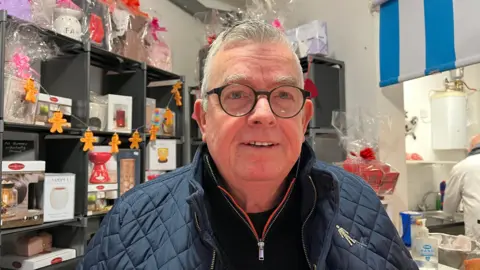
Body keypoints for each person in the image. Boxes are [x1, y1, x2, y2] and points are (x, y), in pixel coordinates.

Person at [78, 20, 416, 270]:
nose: (263, 115)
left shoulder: (361, 206)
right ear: (203, 119)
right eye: (237, 94)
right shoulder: (132, 221)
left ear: (304, 119)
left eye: (283, 95)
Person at [444, 135, 480, 241]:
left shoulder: (462, 167)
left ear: (470, 148)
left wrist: (448, 214)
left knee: (476, 255)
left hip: (477, 224)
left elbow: (449, 205)